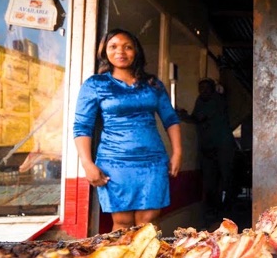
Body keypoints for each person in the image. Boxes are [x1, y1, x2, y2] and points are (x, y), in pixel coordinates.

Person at [73, 28, 182, 232]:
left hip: (152, 162)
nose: (120, 52)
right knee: (122, 223)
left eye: (127, 47)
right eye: (113, 47)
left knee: (149, 222)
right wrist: (87, 163)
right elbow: (82, 126)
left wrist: (177, 152)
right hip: (114, 163)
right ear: (104, 51)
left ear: (136, 51)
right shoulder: (95, 84)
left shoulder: (153, 84)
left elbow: (170, 119)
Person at [190, 78, 236, 219]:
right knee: (210, 179)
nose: (203, 91)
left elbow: (199, 118)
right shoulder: (200, 100)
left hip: (223, 146)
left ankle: (227, 209)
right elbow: (196, 117)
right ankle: (213, 210)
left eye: (206, 88)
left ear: (212, 89)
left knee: (225, 177)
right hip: (207, 148)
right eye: (200, 88)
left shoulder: (217, 100)